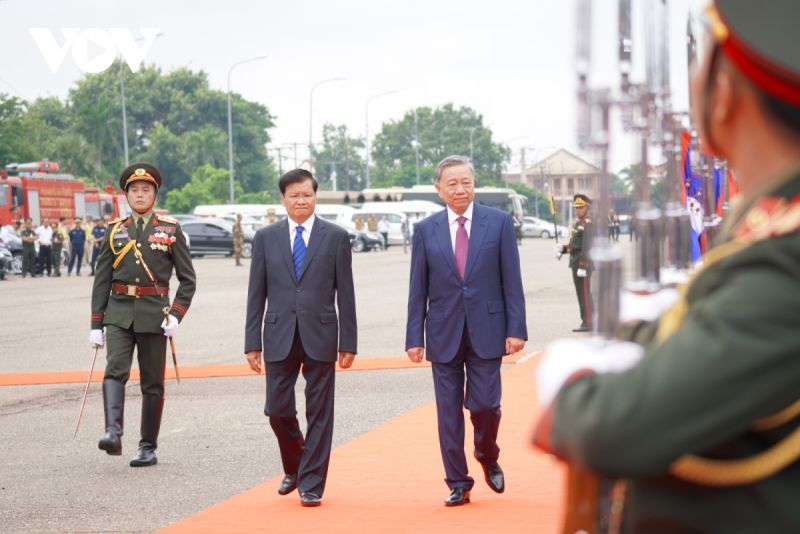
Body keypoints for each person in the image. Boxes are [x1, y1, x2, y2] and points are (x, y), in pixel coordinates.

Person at [534, 2, 800, 531]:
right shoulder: (768, 232)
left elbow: (613, 430)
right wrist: (643, 332)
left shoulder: (782, 262)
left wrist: (575, 384)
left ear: (723, 96)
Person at [405, 155, 527, 506]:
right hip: (443, 332)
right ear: (438, 189)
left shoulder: (499, 223)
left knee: (486, 406)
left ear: (474, 184)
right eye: (453, 184)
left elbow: (511, 281)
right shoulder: (426, 230)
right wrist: (415, 335)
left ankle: (487, 453)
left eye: (466, 182)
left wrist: (516, 329)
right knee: (447, 412)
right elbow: (418, 288)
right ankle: (458, 481)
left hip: (488, 329)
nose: (461, 189)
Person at [245, 169, 357, 507]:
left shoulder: (335, 237)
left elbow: (346, 293)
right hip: (278, 332)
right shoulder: (266, 238)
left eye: (306, 194)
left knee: (320, 412)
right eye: (293, 195)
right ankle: (296, 464)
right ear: (282, 199)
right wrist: (252, 342)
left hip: (321, 333)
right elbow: (256, 293)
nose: (300, 200)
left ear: (315, 196)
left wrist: (348, 342)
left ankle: (311, 484)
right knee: (277, 410)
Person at [90, 162, 196, 467]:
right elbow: (102, 280)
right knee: (115, 370)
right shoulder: (114, 230)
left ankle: (147, 446)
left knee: (152, 382)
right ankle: (113, 432)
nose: (139, 195)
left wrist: (176, 314)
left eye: (145, 190)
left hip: (154, 315)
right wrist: (96, 323)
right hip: (119, 312)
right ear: (126, 195)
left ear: (155, 195)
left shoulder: (170, 230)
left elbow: (188, 279)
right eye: (134, 190)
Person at [555, 194, 593, 332]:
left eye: (580, 208)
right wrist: (563, 248)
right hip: (576, 261)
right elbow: (575, 244)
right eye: (576, 208)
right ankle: (588, 320)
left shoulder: (588, 223)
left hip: (583, 264)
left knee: (584, 294)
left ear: (587, 208)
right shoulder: (579, 223)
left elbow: (587, 245)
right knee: (581, 294)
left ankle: (588, 322)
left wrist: (583, 264)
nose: (577, 210)